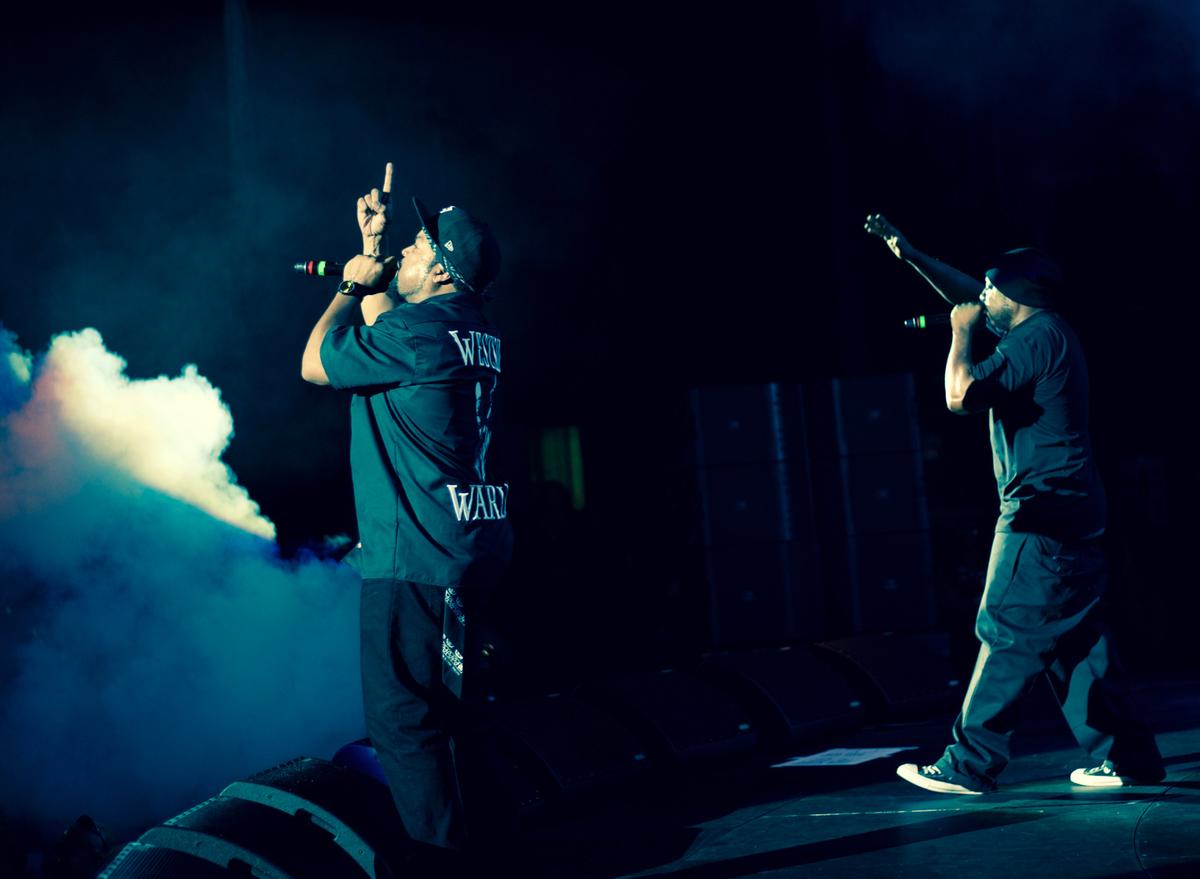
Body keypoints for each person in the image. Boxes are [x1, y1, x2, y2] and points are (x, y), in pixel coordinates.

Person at [864, 214, 1164, 795]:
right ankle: (1129, 757)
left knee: (1004, 627)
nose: (980, 297)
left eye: (990, 289)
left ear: (1015, 296)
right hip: (1073, 509)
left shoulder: (1034, 338)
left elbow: (960, 395)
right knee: (1074, 640)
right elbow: (970, 295)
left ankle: (967, 765)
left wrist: (959, 334)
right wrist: (912, 254)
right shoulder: (1043, 328)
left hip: (1040, 512)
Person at [302, 163, 512, 860]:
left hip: (412, 563)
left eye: (421, 247)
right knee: (457, 720)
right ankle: (489, 856)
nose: (407, 252)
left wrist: (352, 282)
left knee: (406, 727)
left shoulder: (420, 334)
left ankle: (441, 864)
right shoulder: (464, 328)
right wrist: (375, 241)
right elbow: (393, 336)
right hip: (466, 554)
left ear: (443, 273)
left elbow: (315, 361)